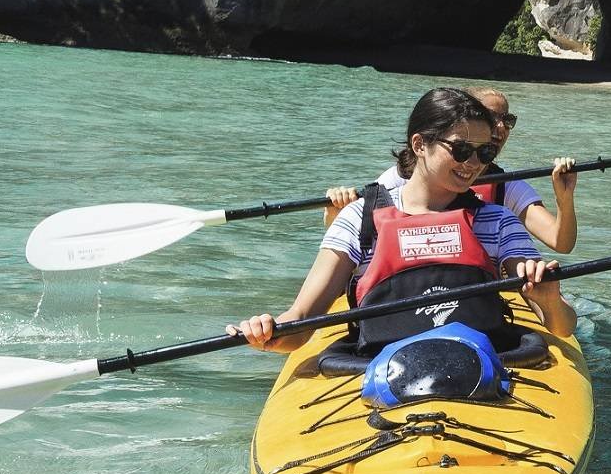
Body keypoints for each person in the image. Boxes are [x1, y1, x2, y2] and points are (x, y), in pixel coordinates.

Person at [235, 87, 575, 354]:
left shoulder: (499, 222)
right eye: (460, 150)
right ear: (420, 144)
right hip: (382, 366)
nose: (473, 163)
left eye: (484, 153)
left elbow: (561, 326)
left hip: (479, 362)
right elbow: (302, 321)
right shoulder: (360, 218)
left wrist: (548, 301)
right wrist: (268, 332)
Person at [322, 85, 578, 253]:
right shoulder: (396, 181)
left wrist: (564, 200)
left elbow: (560, 243)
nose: (499, 128)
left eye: (507, 120)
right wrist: (335, 215)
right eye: (490, 117)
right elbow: (364, 237)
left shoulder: (507, 186)